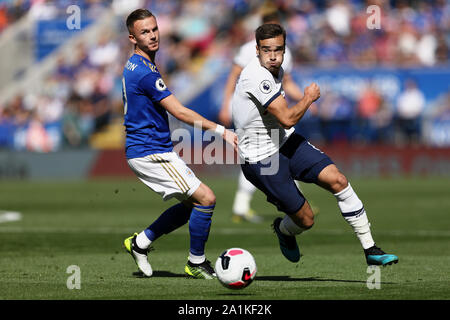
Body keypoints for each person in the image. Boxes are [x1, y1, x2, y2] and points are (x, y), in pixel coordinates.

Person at [231, 23, 398, 266]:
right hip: (261, 159)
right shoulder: (255, 76)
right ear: (257, 50)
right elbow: (287, 117)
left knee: (338, 180)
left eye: (278, 49)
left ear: (285, 49)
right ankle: (283, 230)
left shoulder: (278, 67)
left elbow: (285, 98)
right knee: (306, 220)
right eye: (267, 50)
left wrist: (300, 96)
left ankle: (370, 249)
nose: (273, 56)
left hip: (286, 142)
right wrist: (308, 98)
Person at [121, 9, 237, 279]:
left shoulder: (138, 64)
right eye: (144, 32)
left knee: (190, 206)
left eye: (154, 29)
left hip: (151, 147)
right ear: (132, 38)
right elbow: (180, 112)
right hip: (150, 151)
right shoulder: (145, 73)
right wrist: (221, 130)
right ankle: (195, 262)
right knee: (206, 199)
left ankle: (140, 243)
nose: (152, 36)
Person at [218, 11, 305, 224]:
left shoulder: (286, 52)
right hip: (250, 110)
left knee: (276, 153)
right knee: (257, 154)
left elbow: (288, 82)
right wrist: (226, 104)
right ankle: (245, 204)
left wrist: (305, 99)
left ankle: (295, 201)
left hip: (272, 110)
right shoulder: (249, 50)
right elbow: (233, 76)